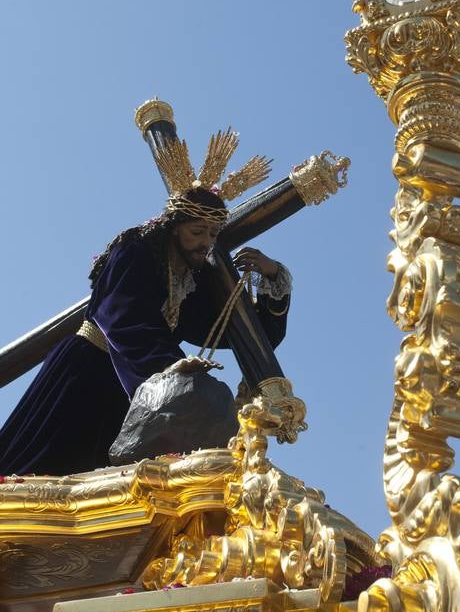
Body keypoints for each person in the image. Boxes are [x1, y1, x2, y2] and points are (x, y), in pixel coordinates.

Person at [0, 186, 291, 476]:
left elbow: (247, 336)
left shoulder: (191, 283)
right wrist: (168, 365)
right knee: (48, 470)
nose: (206, 243)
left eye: (213, 234)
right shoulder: (135, 249)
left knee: (107, 484)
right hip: (89, 370)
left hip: (138, 393)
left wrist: (272, 276)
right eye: (197, 231)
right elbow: (122, 317)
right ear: (175, 227)